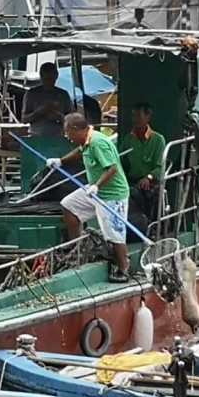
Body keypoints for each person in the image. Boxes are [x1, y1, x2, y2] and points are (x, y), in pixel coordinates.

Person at [46, 113, 130, 278]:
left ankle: (123, 269)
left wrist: (96, 186)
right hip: (93, 190)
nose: (66, 135)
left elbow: (112, 168)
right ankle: (81, 244)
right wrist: (61, 161)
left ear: (77, 129)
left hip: (112, 194)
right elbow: (80, 152)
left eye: (67, 131)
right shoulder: (86, 141)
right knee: (68, 205)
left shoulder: (98, 142)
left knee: (114, 234)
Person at [118, 102, 166, 221]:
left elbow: (161, 167)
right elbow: (120, 161)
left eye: (138, 115)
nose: (135, 119)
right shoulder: (128, 140)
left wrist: (149, 177)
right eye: (133, 115)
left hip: (149, 182)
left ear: (147, 117)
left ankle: (147, 225)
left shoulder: (158, 140)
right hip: (131, 181)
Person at [22, 62, 75, 138]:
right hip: (36, 136)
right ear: (40, 77)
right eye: (45, 79)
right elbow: (24, 119)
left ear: (56, 76)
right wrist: (39, 112)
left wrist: (60, 117)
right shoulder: (31, 94)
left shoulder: (63, 94)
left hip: (58, 136)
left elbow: (73, 119)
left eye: (51, 79)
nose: (48, 83)